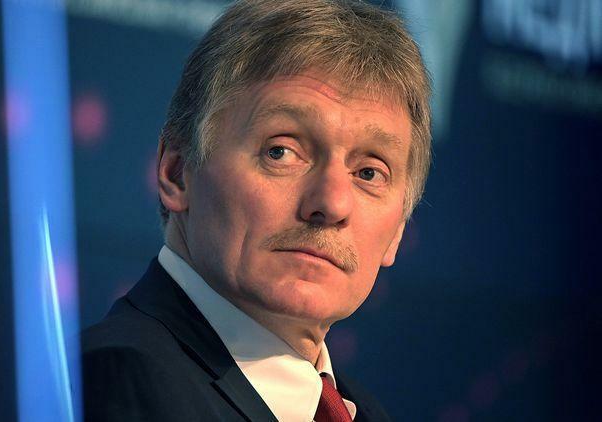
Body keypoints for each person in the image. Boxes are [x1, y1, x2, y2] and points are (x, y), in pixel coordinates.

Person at [81, 0, 431, 420]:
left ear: (398, 231)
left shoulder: (365, 413)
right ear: (177, 173)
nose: (332, 204)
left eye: (369, 174)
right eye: (280, 151)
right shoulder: (114, 383)